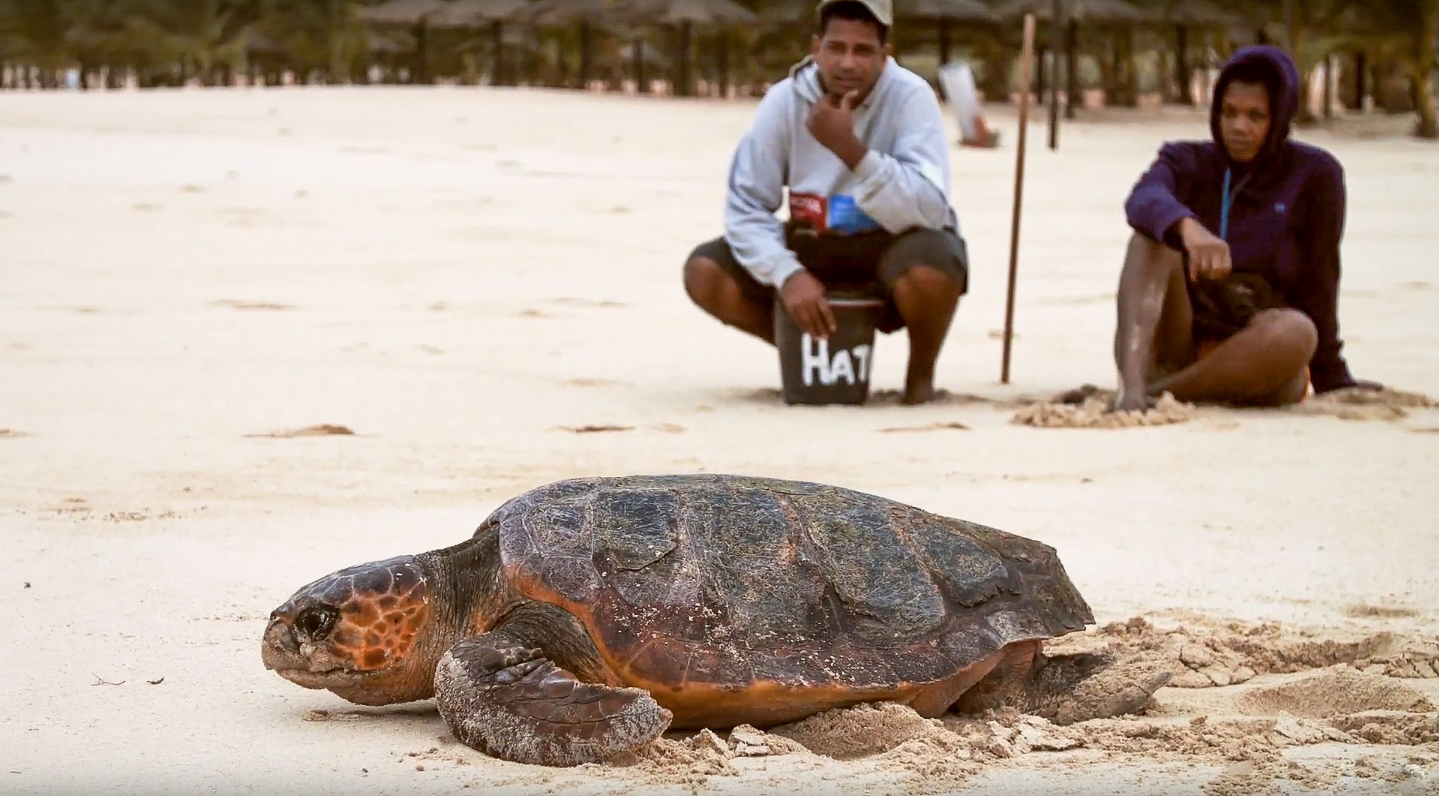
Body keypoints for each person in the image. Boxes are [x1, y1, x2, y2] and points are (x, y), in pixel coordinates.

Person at [681, 0, 969, 405]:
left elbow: (932, 209)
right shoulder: (783, 101)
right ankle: (816, 354)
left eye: (863, 51)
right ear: (816, 49)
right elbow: (746, 206)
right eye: (836, 48)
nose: (847, 63)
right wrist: (786, 273)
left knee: (934, 264)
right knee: (705, 271)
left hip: (889, 243)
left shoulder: (911, 97)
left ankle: (919, 378)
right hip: (812, 239)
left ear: (886, 55)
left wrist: (853, 152)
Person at [1110, 45, 1383, 412]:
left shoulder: (1315, 175)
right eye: (1229, 113)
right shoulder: (1185, 160)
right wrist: (1186, 227)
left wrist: (1331, 376)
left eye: (1256, 116)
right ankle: (1132, 389)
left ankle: (1159, 394)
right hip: (1181, 340)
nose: (1239, 127)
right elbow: (1143, 199)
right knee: (1149, 241)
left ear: (1280, 119)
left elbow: (1321, 278)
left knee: (1297, 332)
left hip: (1257, 351)